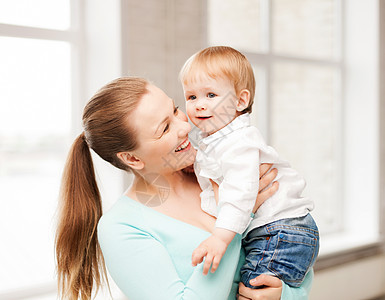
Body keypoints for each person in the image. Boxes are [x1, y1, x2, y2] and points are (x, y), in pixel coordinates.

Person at [55, 76, 314, 300]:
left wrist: (286, 294)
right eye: (165, 128)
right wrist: (237, 221)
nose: (186, 126)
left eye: (176, 110)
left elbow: (291, 246)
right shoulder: (122, 227)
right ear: (132, 158)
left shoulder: (223, 171)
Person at [179, 46, 319, 289]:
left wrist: (221, 239)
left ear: (240, 100)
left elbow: (240, 193)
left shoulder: (239, 143)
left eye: (211, 95)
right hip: (279, 232)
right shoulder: (218, 139)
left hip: (280, 232)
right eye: (192, 97)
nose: (199, 105)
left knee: (251, 291)